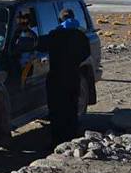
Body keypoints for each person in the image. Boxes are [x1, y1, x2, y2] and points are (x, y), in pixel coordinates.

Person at [35, 9, 91, 146]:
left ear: (60, 20)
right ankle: (71, 140)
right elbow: (86, 53)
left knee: (56, 111)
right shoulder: (80, 36)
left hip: (56, 78)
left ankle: (58, 143)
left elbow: (39, 46)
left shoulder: (55, 35)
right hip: (73, 77)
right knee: (71, 109)